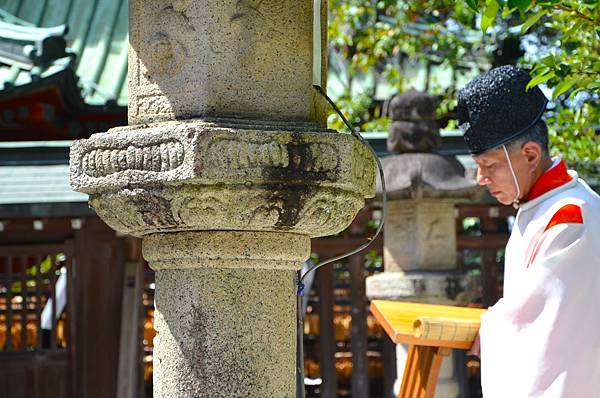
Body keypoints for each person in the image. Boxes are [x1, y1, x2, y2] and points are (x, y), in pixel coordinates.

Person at [457, 65, 600, 397]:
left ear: (530, 154)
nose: (481, 180)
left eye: (489, 166)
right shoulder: (544, 207)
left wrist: (491, 325)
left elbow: (542, 327)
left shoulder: (570, 217)